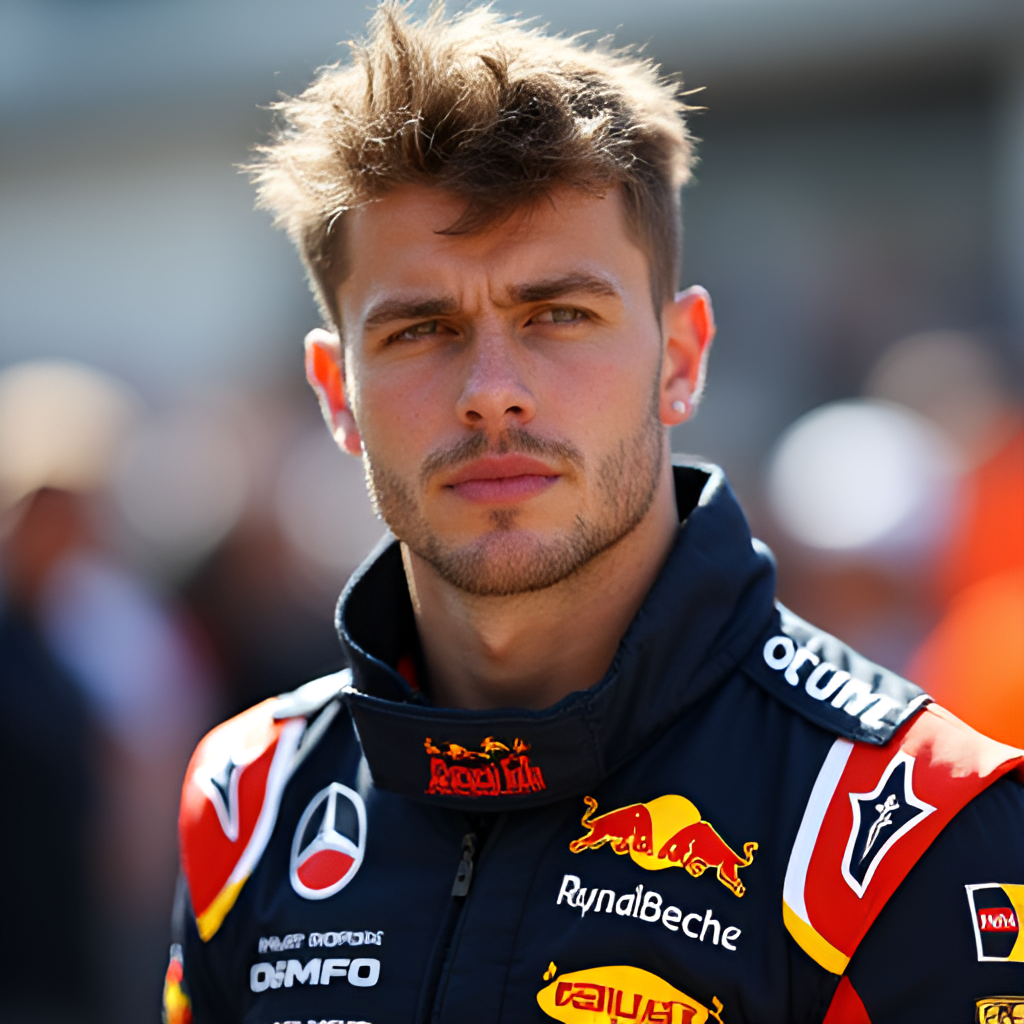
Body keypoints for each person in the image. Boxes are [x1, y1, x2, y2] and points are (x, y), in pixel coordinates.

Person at [167, 6, 1024, 1022]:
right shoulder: (250, 797)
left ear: (682, 357)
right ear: (335, 392)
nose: (492, 390)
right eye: (420, 329)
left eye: (557, 315)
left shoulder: (911, 824)